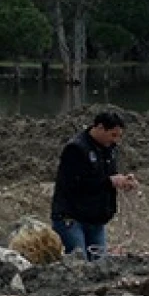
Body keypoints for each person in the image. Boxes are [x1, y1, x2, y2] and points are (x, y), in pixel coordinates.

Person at [50, 111, 139, 260]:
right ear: (100, 127)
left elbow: (107, 176)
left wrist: (123, 181)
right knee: (79, 265)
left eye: (118, 136)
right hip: (72, 218)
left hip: (96, 219)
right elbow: (75, 183)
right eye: (113, 135)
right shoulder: (76, 149)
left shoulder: (109, 149)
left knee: (100, 266)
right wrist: (109, 181)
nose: (116, 140)